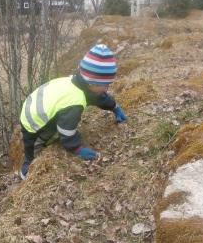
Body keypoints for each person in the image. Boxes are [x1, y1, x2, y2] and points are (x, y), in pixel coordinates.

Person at [18, 43, 127, 179]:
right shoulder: (74, 102)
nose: (107, 89)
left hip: (37, 104)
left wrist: (115, 107)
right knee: (32, 154)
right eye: (105, 85)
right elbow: (66, 132)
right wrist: (77, 149)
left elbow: (98, 97)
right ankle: (24, 175)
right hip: (33, 123)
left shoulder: (80, 83)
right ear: (92, 83)